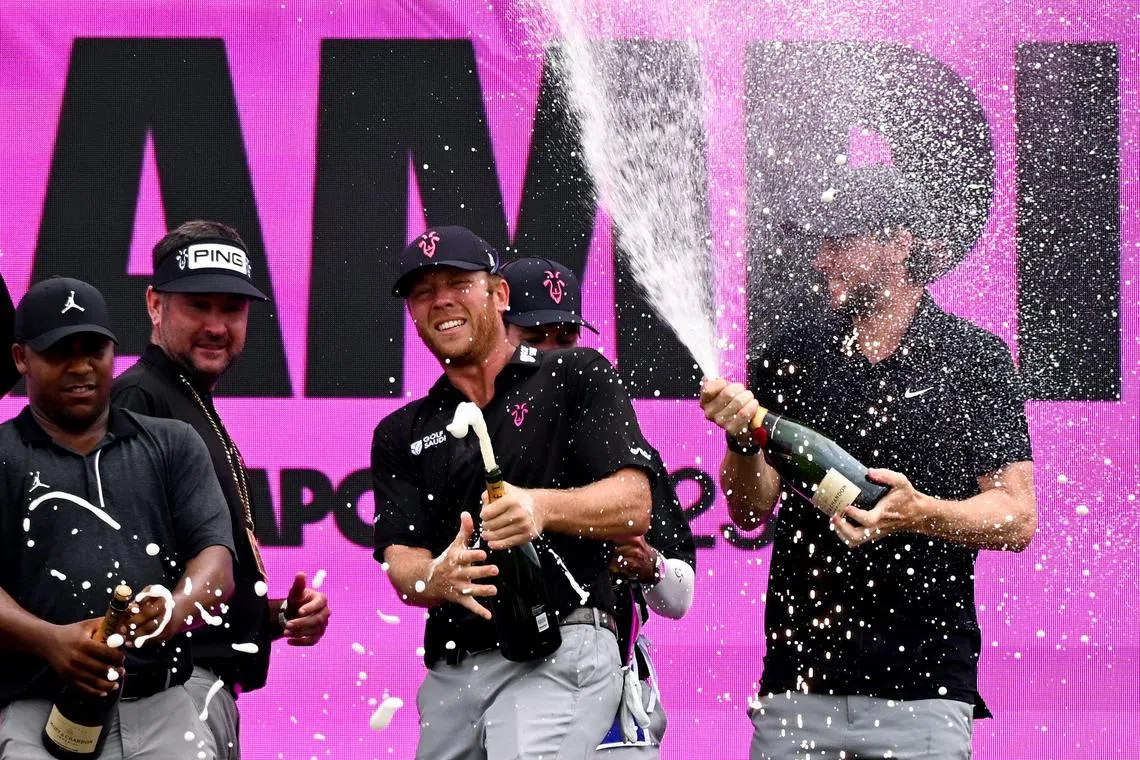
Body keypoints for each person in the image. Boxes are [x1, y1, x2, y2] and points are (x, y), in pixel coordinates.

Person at [699, 165, 1037, 760]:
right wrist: (743, 438)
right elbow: (750, 509)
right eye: (819, 245)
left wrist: (916, 513)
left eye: (839, 242)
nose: (821, 261)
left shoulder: (974, 360)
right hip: (798, 686)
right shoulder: (793, 353)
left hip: (924, 690)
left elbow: (1016, 517)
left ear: (899, 244)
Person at [372, 226, 656, 760]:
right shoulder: (401, 431)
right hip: (452, 670)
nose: (441, 302)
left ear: (499, 295)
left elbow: (633, 504)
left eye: (458, 282)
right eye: (423, 292)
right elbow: (400, 563)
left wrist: (539, 507)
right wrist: (436, 576)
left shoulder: (576, 374)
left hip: (559, 646)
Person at [112, 221, 330, 759]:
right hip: (156, 695)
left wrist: (273, 617)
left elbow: (179, 567)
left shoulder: (185, 400)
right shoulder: (138, 401)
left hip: (196, 690)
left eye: (231, 309)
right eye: (198, 306)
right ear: (155, 304)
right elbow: (113, 570)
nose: (216, 325)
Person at [0, 277, 237, 759]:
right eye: (60, 352)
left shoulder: (173, 443)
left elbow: (216, 562)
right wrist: (51, 641)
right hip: (34, 710)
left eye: (95, 349)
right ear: (22, 358)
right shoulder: (2, 453)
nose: (82, 366)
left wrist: (170, 611)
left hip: (164, 706)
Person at [500, 256, 696, 757]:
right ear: (494, 331)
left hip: (611, 717)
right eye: (534, 338)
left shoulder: (625, 454)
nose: (552, 354)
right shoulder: (477, 441)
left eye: (565, 340)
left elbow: (678, 599)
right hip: (501, 693)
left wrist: (650, 566)